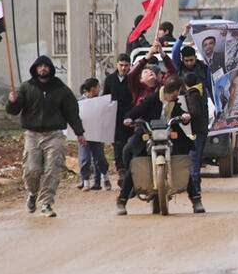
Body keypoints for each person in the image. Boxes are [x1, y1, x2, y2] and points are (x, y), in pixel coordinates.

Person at [6, 56, 85, 217]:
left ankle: (47, 203)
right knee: (32, 169)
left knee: (52, 169)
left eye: (45, 66)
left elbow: (72, 112)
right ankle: (32, 193)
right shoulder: (26, 87)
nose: (43, 69)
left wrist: (79, 132)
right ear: (35, 69)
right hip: (32, 134)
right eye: (40, 66)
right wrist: (12, 101)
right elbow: (14, 110)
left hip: (54, 134)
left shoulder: (60, 89)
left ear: (50, 69)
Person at [116, 75, 193, 215]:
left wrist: (185, 117)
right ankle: (122, 200)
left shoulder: (174, 102)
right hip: (148, 133)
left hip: (169, 134)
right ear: (174, 91)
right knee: (134, 160)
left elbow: (181, 115)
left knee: (181, 162)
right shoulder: (152, 99)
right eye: (178, 91)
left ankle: (196, 199)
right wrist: (128, 118)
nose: (178, 94)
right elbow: (137, 111)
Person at [103, 53, 133, 187]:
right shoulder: (110, 80)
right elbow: (105, 98)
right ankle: (121, 170)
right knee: (118, 144)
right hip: (115, 117)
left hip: (130, 117)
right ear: (117, 65)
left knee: (130, 143)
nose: (124, 68)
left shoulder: (133, 79)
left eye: (126, 65)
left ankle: (130, 170)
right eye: (121, 65)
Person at [77, 78, 110, 191]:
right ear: (93, 89)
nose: (99, 89)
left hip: (97, 134)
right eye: (98, 87)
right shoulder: (80, 102)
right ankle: (85, 181)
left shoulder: (101, 101)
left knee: (99, 158)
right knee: (84, 158)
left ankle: (104, 178)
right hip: (84, 134)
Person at [183, 72, 208, 213]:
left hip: (196, 132)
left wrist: (187, 116)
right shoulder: (199, 91)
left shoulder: (192, 94)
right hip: (201, 131)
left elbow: (195, 112)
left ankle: (196, 192)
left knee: (194, 163)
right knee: (195, 162)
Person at [128, 40, 177, 107]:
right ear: (141, 79)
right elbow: (131, 75)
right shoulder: (138, 89)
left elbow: (172, 71)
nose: (150, 71)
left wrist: (162, 53)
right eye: (146, 72)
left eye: (151, 71)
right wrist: (148, 56)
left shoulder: (161, 86)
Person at [171, 23, 210, 93]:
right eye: (186, 60)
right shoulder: (180, 66)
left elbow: (209, 85)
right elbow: (174, 51)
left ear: (195, 57)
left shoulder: (203, 67)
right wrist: (184, 33)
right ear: (182, 59)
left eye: (191, 60)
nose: (189, 63)